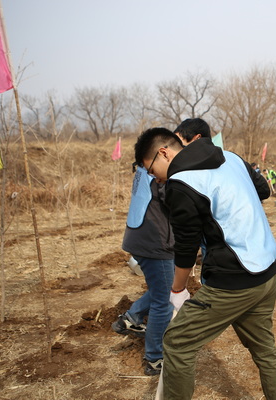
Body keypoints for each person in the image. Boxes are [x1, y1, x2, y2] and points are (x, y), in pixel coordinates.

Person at [142, 129, 276, 400]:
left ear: (164, 153)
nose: (154, 177)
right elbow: (262, 189)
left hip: (235, 278)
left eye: (151, 170)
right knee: (265, 350)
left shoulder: (181, 182)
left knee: (177, 342)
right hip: (268, 268)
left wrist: (178, 289)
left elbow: (186, 246)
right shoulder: (230, 157)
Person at [111, 127, 175, 376]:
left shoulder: (140, 170)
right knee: (164, 301)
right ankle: (154, 358)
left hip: (141, 239)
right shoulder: (158, 175)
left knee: (162, 289)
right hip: (155, 243)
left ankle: (132, 317)